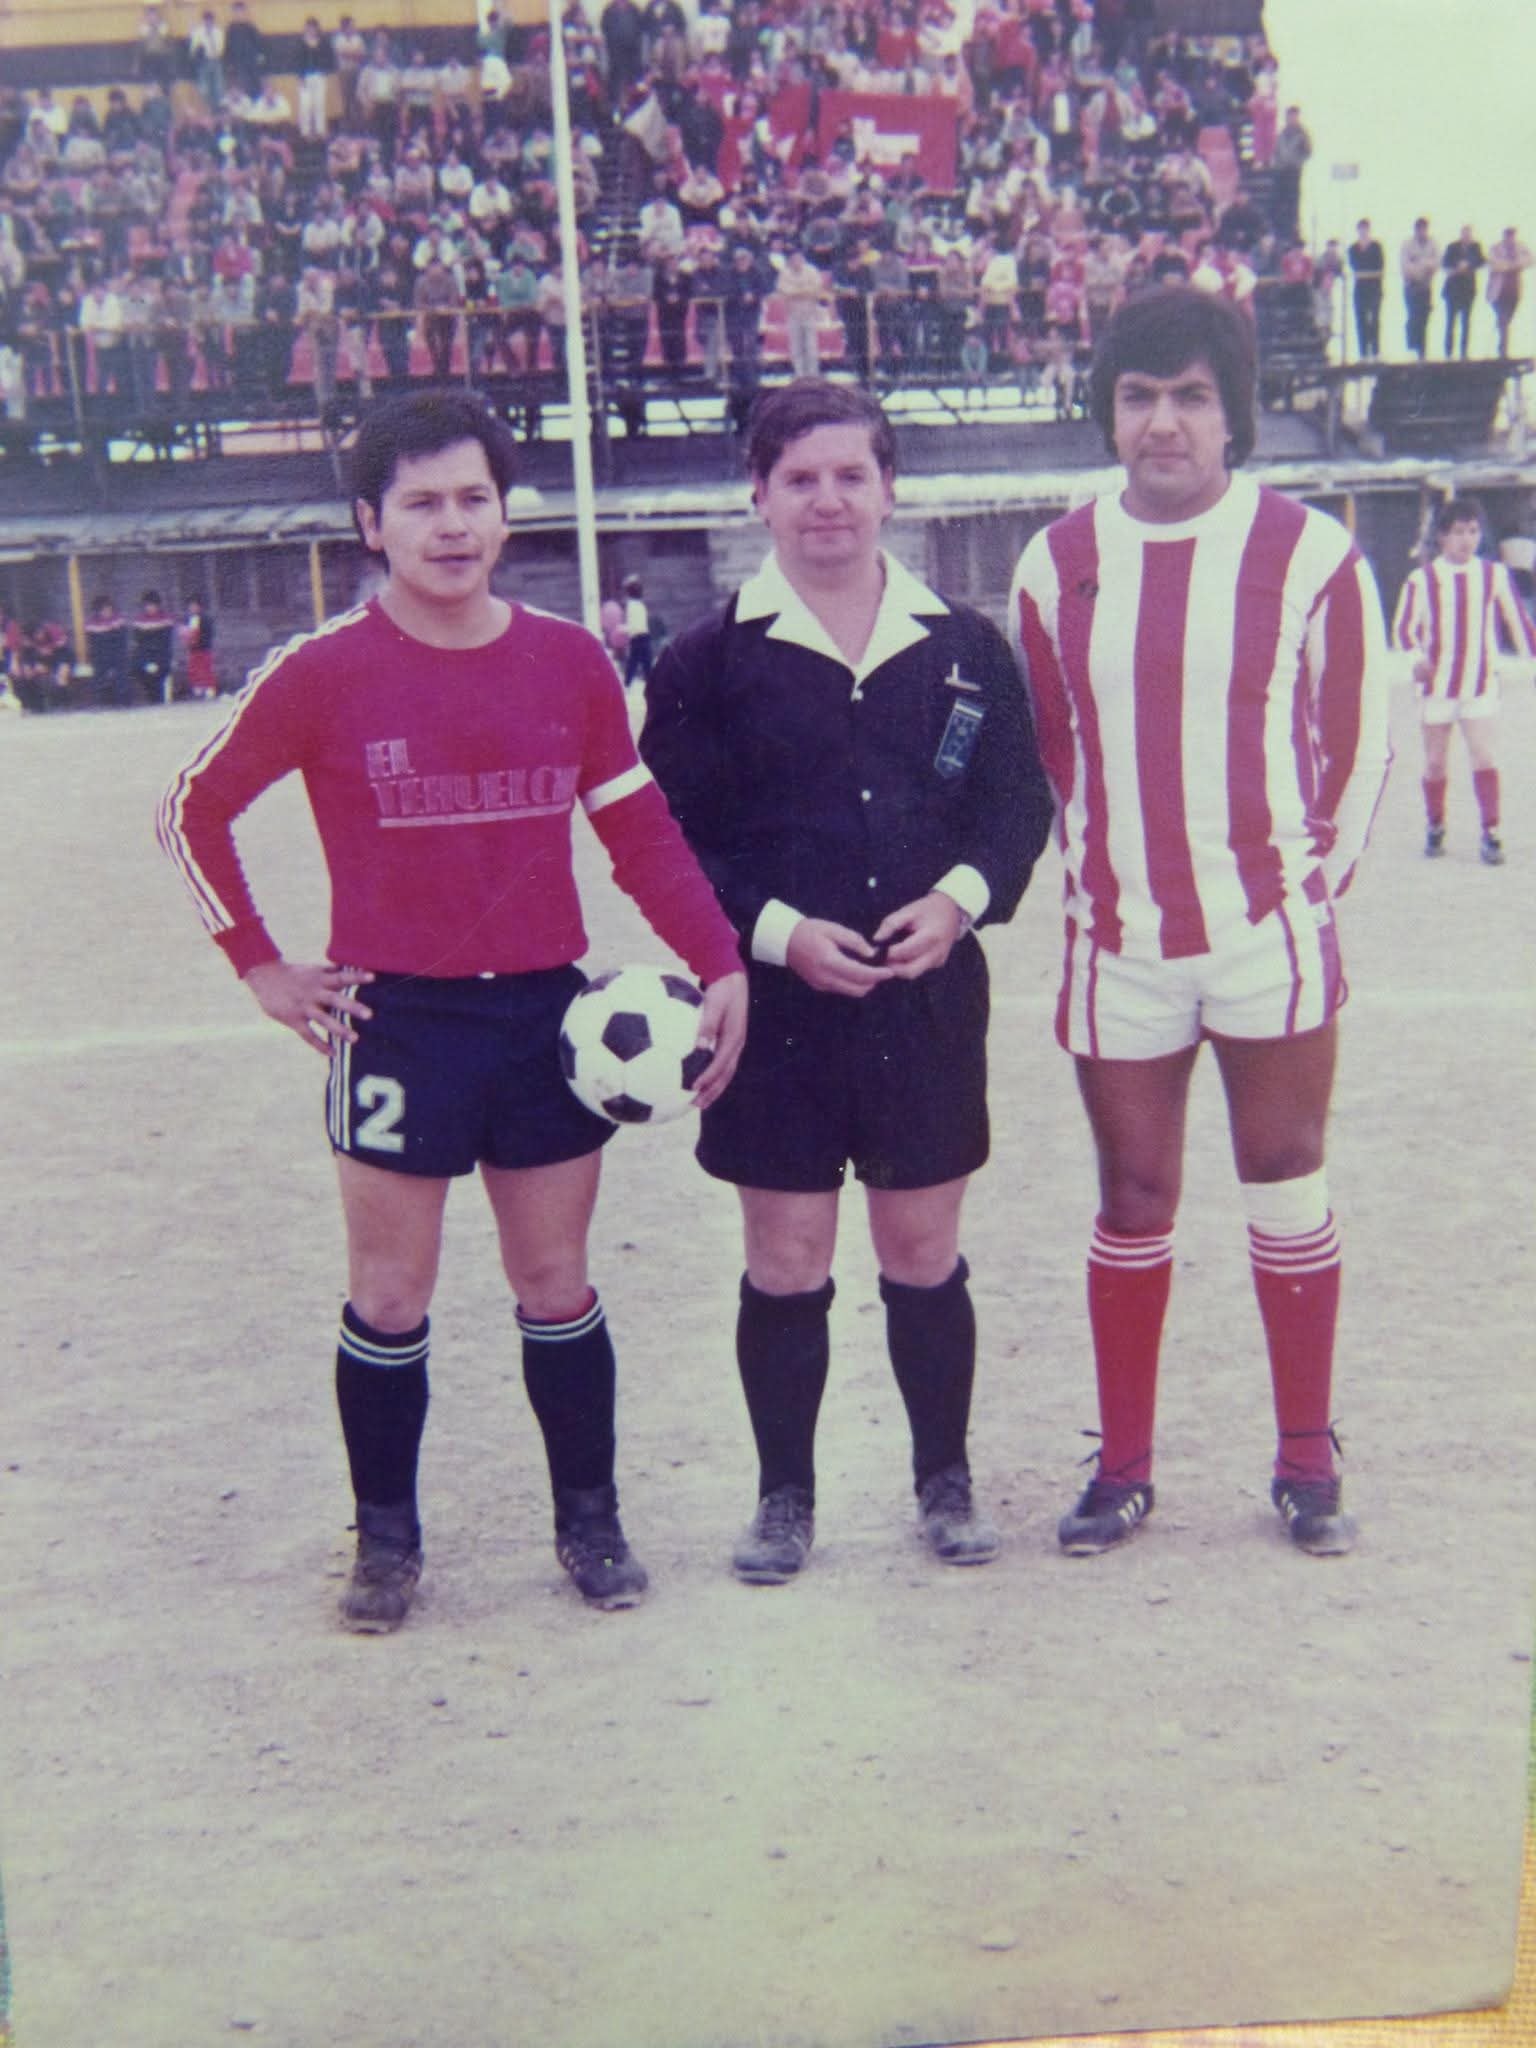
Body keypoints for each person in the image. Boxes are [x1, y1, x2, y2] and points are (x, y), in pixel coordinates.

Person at [157, 390, 748, 1632]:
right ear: (371, 522)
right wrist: (262, 966)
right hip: (400, 1025)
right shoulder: (321, 671)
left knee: (554, 1278)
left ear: (503, 509)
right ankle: (385, 1540)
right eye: (420, 502)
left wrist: (719, 958)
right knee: (389, 1293)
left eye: (473, 497)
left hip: (547, 1019)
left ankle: (589, 1517)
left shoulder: (571, 658)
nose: (451, 524)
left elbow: (636, 829)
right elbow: (191, 812)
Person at [640, 379, 1053, 1584]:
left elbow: (1016, 804)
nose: (828, 500)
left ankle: (945, 1475)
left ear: (890, 487)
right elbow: (668, 835)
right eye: (800, 478)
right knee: (786, 1256)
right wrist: (772, 933)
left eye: (851, 475)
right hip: (774, 1014)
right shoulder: (708, 660)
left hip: (926, 1003)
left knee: (922, 1247)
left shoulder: (966, 648)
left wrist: (959, 899)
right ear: (759, 495)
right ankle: (784, 1495)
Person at [1008, 288, 1392, 1560]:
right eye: (1137, 397)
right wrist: (1104, 880)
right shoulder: (1054, 562)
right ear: (1108, 412)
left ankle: (1305, 1458)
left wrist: (1302, 889)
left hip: (1267, 933)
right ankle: (1122, 1469)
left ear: (1235, 415)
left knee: (1285, 1179)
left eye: (1189, 398)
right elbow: (1053, 749)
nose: (1162, 424)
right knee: (1135, 1193)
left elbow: (1357, 739)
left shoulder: (1313, 552)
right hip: (1118, 941)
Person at [1390, 494, 1536, 866]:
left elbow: (1517, 621)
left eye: (1473, 531)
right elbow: (1404, 629)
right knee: (1436, 762)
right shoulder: (1422, 580)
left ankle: (1491, 831)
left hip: (1479, 683)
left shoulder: (1493, 574)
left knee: (1484, 755)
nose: (1466, 539)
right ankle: (1436, 823)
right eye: (1458, 532)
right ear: (1442, 536)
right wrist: (1416, 659)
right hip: (1437, 687)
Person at [1485, 226, 1532, 358]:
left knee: (1507, 320)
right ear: (1504, 236)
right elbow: (1494, 263)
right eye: (1508, 235)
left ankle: (1502, 346)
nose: (1510, 238)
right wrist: (1510, 266)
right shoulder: (1496, 248)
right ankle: (1503, 351)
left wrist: (1516, 264)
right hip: (1498, 292)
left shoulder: (1520, 247)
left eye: (1512, 236)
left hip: (1514, 291)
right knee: (1503, 320)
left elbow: (1530, 260)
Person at [1399, 215, 1439, 360]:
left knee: (1424, 318)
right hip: (1411, 286)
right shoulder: (1407, 244)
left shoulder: (1433, 244)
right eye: (1420, 229)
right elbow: (1405, 266)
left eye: (1424, 229)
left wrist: (1421, 264)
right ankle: (1412, 346)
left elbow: (1436, 263)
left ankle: (1422, 350)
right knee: (1413, 317)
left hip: (1426, 286)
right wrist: (1422, 267)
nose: (1422, 231)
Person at [1441, 225, 1484, 359]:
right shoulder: (1452, 247)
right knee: (1450, 321)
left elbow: (1482, 261)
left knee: (1466, 322)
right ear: (1461, 234)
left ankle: (1464, 352)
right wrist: (1457, 267)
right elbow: (1444, 263)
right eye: (1465, 234)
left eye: (1469, 234)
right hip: (1453, 290)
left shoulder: (1476, 247)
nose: (1467, 236)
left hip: (1468, 290)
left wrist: (1468, 264)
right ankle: (1448, 352)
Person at [1345, 218, 1383, 360]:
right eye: (1361, 229)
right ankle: (1363, 352)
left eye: (1365, 229)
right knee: (1361, 320)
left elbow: (1380, 265)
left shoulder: (1377, 246)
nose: (1363, 232)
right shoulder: (1352, 248)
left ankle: (1376, 351)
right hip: (1360, 288)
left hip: (1374, 288)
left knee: (1375, 319)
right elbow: (1355, 265)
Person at [130, 589, 176, 703]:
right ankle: (152, 697)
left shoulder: (165, 619)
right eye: (147, 605)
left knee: (160, 673)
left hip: (161, 655)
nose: (150, 608)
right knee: (138, 669)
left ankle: (159, 698)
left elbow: (166, 642)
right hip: (145, 655)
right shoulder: (140, 621)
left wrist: (157, 660)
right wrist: (146, 661)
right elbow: (139, 643)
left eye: (152, 605)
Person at [620, 573, 653, 689]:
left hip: (638, 637)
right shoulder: (638, 605)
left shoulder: (633, 606)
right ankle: (630, 683)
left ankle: (627, 684)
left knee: (635, 663)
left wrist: (623, 629)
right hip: (642, 637)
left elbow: (634, 626)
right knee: (643, 663)